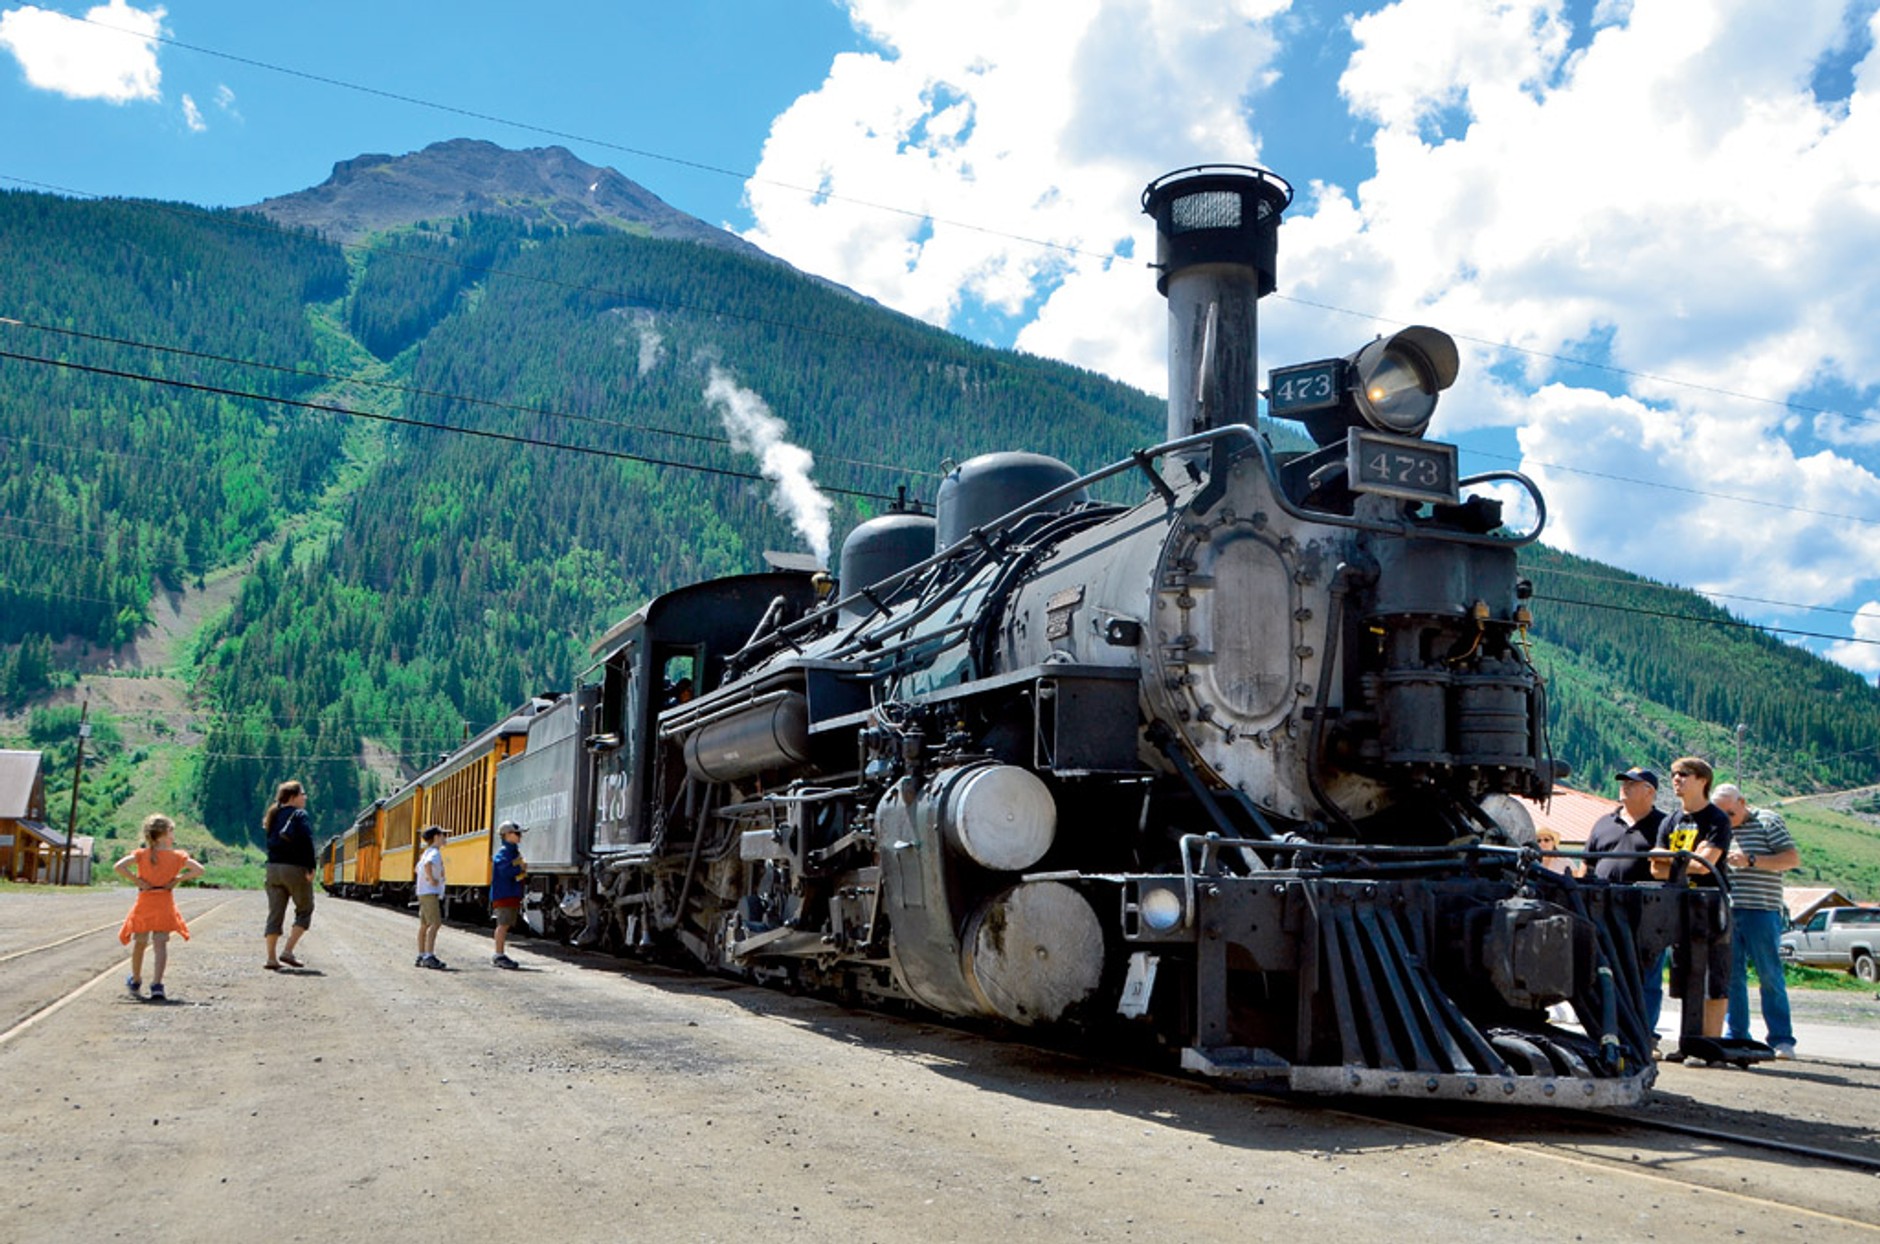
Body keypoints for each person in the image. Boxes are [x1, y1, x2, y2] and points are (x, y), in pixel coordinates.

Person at [1714, 783, 1801, 1058]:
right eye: (1720, 813)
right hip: (1729, 910)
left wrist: (1751, 860)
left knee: (1769, 974)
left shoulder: (1768, 822)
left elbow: (1790, 859)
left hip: (1761, 909)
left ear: (1743, 802)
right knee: (1732, 977)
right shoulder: (1720, 827)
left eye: (1729, 812)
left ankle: (1781, 1039)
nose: (1726, 818)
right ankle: (1737, 1035)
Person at [1652, 756, 1733, 1040]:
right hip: (1679, 903)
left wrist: (1671, 861)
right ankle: (1689, 1039)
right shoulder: (1670, 821)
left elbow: (1705, 864)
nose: (1676, 779)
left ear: (1703, 780)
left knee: (1713, 973)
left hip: (1711, 903)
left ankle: (1710, 1042)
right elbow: (1654, 868)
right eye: (1674, 774)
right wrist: (1686, 859)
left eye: (1684, 774)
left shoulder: (1716, 820)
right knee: (1685, 973)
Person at [115, 814, 205, 1001]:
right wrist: (177, 880)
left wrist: (138, 880)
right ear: (164, 834)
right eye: (172, 831)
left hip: (145, 901)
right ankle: (157, 984)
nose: (173, 835)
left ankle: (136, 979)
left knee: (140, 942)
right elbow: (199, 870)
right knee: (160, 943)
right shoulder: (177, 856)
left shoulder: (141, 855)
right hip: (164, 901)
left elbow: (119, 866)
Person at [262, 780, 317, 970]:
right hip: (294, 869)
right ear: (293, 797)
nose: (305, 797)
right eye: (303, 794)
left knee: (275, 913)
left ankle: (271, 958)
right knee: (305, 909)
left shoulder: (272, 814)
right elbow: (307, 842)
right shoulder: (299, 814)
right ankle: (287, 951)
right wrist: (311, 867)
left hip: (272, 869)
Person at [490, 820, 529, 969]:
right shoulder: (504, 853)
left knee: (505, 924)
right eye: (517, 833)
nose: (520, 836)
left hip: (510, 893)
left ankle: (499, 954)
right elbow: (505, 871)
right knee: (503, 924)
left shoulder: (512, 851)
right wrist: (520, 869)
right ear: (507, 835)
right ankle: (499, 954)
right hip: (504, 894)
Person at [416, 826, 448, 969]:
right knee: (435, 924)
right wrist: (432, 879)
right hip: (430, 892)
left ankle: (421, 954)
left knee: (424, 925)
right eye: (443, 835)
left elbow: (416, 869)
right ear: (436, 837)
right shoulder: (434, 853)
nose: (444, 838)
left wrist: (425, 877)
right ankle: (429, 956)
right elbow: (428, 864)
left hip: (422, 891)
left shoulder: (426, 852)